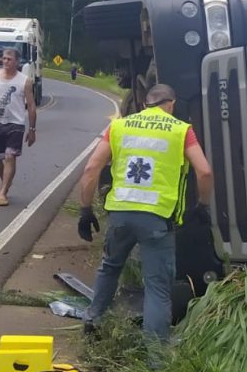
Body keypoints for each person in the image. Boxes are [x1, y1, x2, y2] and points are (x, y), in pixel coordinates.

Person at [76, 83, 214, 348]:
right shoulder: (181, 130)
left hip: (120, 215)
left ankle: (92, 322)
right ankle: (156, 358)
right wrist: (202, 207)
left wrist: (85, 210)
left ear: (145, 103)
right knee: (157, 287)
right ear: (171, 104)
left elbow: (92, 168)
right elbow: (205, 172)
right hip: (156, 219)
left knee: (110, 267)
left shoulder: (118, 126)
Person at [0, 47, 36, 206]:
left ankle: (2, 192)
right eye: (4, 59)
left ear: (17, 62)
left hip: (15, 124)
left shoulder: (25, 81)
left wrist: (32, 130)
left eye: (9, 59)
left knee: (10, 156)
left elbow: (31, 106)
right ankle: (6, 181)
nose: (6, 62)